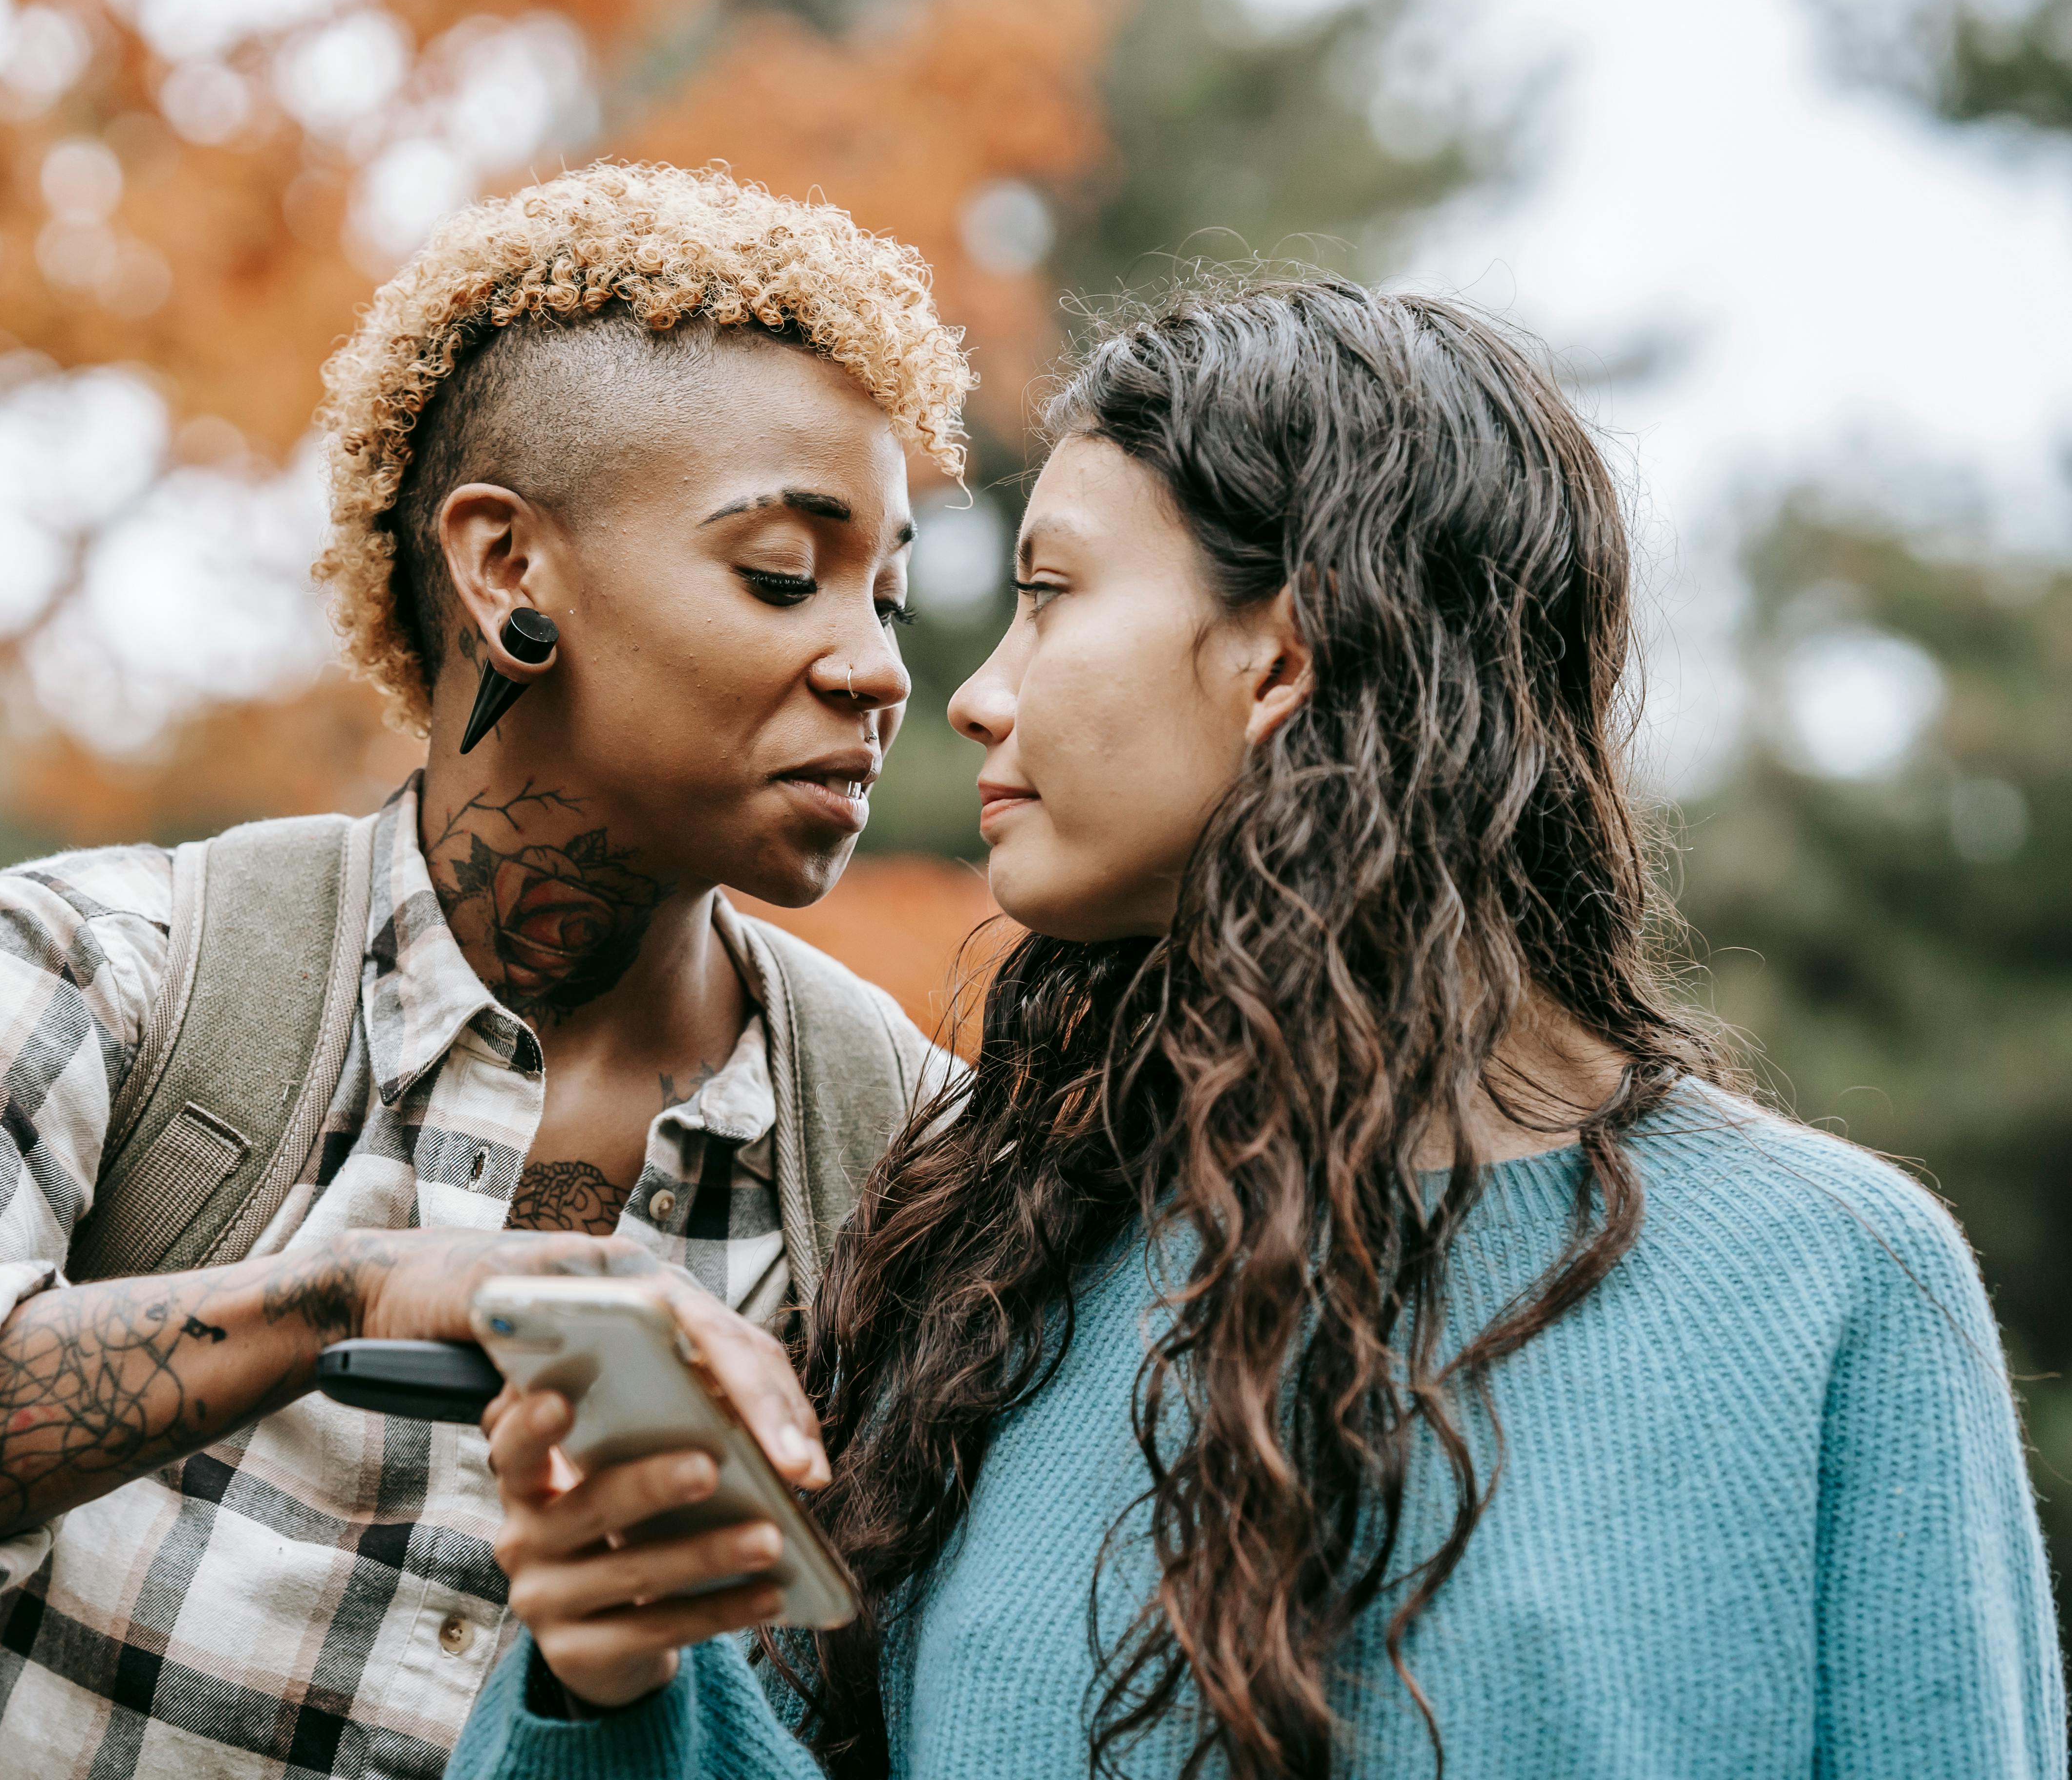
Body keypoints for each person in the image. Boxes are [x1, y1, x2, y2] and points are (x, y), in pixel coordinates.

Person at [452, 275, 2067, 1778]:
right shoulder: (978, 1259)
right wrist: (609, 1681)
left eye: (1051, 595)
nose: (969, 694)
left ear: (1283, 656)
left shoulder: (1829, 1288)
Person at [0, 163, 963, 1780]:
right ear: (508, 568)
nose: (875, 666)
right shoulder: (113, 966)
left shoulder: (915, 1159)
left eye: (892, 594)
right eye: (785, 575)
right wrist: (338, 1301)